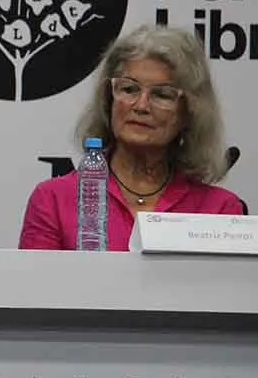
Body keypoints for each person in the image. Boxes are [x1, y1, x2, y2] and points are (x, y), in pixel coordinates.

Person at [19, 25, 243, 251]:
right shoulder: (53, 200)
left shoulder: (219, 210)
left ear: (190, 112)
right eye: (129, 89)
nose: (141, 105)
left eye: (162, 94)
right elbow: (36, 285)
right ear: (109, 100)